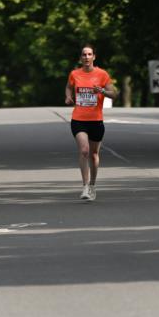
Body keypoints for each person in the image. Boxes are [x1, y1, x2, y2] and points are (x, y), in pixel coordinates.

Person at [65, 44, 117, 200]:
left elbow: (114, 94)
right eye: (84, 55)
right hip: (78, 119)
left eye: (89, 54)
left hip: (96, 121)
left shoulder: (102, 74)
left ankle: (93, 185)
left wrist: (101, 91)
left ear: (94, 57)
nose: (86, 57)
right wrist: (68, 96)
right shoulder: (74, 74)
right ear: (81, 58)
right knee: (84, 151)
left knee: (94, 155)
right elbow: (68, 87)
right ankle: (85, 187)